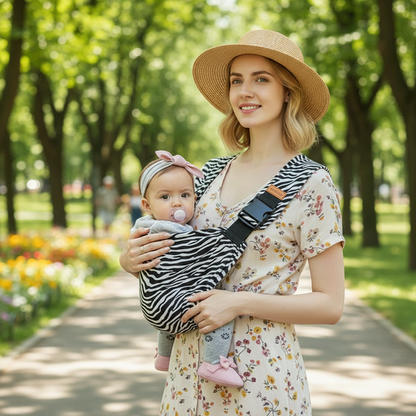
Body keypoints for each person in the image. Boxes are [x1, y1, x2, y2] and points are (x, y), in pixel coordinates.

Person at [119, 29, 345, 415]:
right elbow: (182, 252)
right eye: (236, 81)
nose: (244, 91)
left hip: (261, 379)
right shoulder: (206, 176)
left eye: (261, 79)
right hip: (186, 376)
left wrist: (237, 302)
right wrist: (131, 260)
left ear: (288, 91)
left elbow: (330, 304)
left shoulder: (312, 183)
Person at [132, 150, 243, 388]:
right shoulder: (170, 231)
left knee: (176, 294)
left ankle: (164, 356)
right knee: (217, 309)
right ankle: (214, 363)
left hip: (153, 304)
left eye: (185, 194)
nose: (177, 202)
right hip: (172, 306)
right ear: (146, 204)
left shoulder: (143, 227)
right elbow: (200, 250)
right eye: (165, 197)